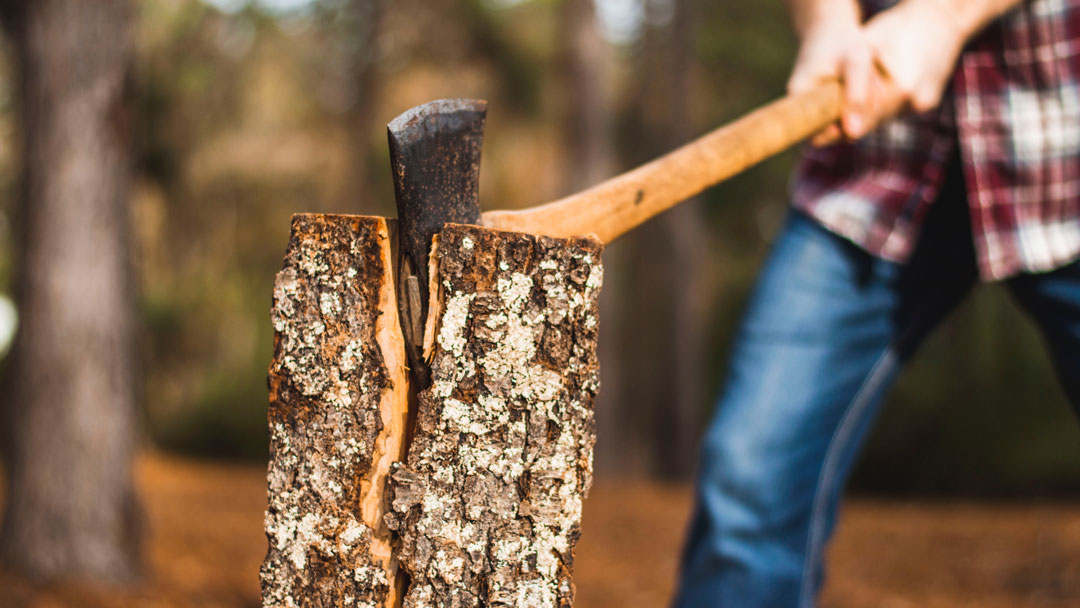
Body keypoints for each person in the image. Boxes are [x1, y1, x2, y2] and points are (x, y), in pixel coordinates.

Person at [675, 0, 1080, 605]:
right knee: (749, 481)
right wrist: (826, 22)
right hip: (874, 172)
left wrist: (941, 17)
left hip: (1060, 152)